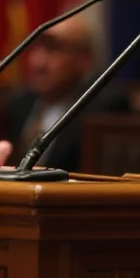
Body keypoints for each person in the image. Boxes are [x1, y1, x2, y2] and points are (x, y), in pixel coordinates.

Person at [5, 15, 129, 172]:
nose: (38, 63)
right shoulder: (19, 103)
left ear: (84, 58)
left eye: (52, 49)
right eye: (35, 47)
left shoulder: (104, 106)